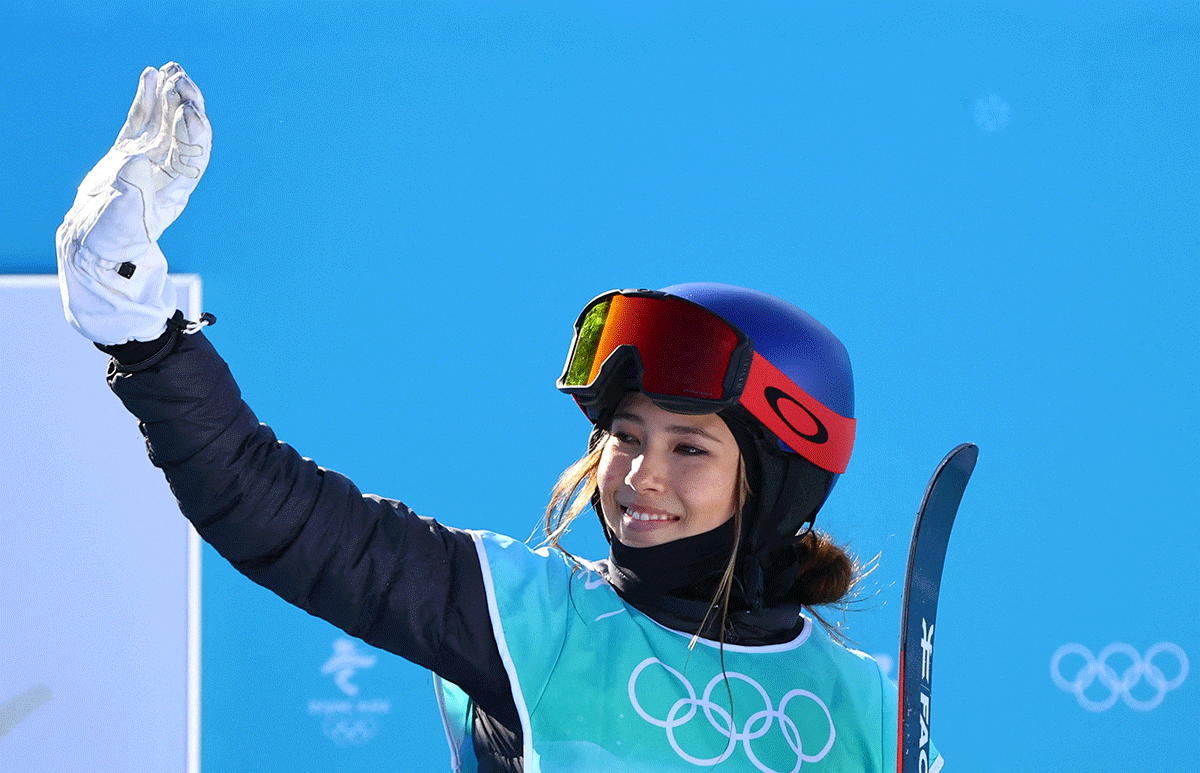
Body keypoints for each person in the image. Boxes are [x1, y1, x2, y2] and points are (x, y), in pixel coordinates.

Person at [56, 63, 942, 773]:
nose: (640, 474)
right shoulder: (527, 619)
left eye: (689, 445)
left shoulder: (866, 708)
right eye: (623, 436)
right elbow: (282, 516)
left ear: (780, 479)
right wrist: (143, 338)